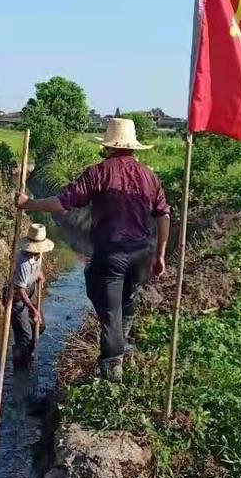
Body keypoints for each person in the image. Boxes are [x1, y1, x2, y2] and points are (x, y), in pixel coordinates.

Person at [16, 117, 170, 381]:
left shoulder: (98, 173)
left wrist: (29, 204)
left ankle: (112, 374)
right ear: (133, 147)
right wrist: (160, 254)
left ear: (108, 146)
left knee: (109, 313)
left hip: (110, 254)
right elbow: (164, 215)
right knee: (126, 300)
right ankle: (121, 340)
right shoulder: (150, 177)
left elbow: (63, 203)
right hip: (141, 253)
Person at [9, 223, 54, 368]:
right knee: (26, 336)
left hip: (30, 291)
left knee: (40, 326)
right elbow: (20, 290)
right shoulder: (24, 263)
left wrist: (40, 275)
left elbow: (37, 268)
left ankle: (26, 351)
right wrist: (33, 310)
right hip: (17, 297)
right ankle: (19, 365)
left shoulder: (37, 254)